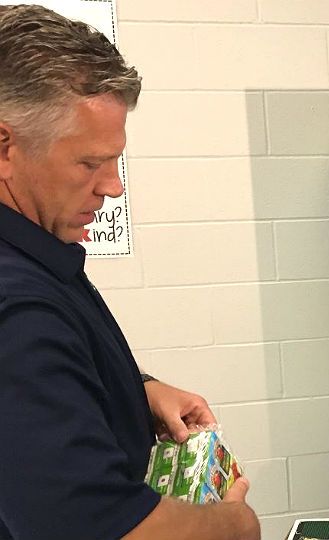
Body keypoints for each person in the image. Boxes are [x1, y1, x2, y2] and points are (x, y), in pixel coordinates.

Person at [0, 5, 260, 539]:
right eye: (89, 163)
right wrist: (236, 525)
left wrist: (135, 389)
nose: (112, 186)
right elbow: (101, 529)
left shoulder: (35, 250)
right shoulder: (16, 308)